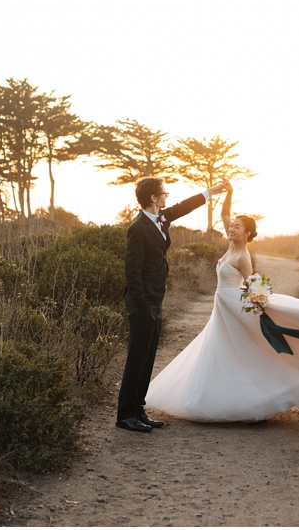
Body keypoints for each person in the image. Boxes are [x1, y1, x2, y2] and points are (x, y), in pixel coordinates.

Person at [144, 181, 299, 422]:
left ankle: (253, 398)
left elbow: (252, 282)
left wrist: (259, 304)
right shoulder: (231, 244)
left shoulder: (242, 255)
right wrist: (228, 194)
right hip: (222, 308)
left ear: (247, 234)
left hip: (235, 307)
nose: (231, 227)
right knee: (222, 350)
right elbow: (224, 215)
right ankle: (222, 396)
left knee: (243, 350)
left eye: (237, 227)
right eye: (231, 225)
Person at [116, 176, 230, 432]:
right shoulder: (137, 227)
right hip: (142, 302)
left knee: (147, 357)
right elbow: (131, 272)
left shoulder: (162, 218)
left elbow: (184, 206)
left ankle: (138, 409)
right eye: (164, 193)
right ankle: (125, 415)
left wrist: (211, 191)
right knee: (136, 358)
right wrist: (144, 304)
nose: (167, 197)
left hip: (155, 299)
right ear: (153, 198)